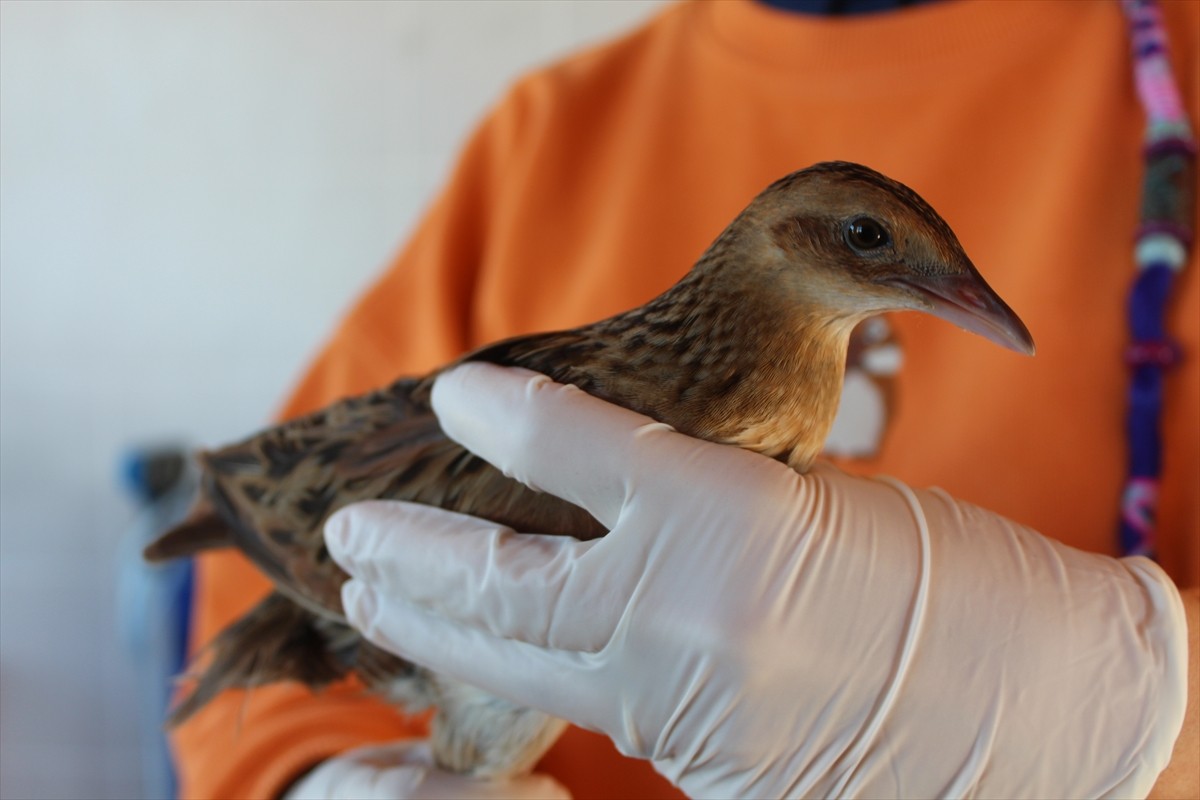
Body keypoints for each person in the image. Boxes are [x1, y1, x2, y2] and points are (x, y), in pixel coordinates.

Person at [171, 0, 1199, 797]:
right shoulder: (548, 138)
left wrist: (1135, 709)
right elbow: (262, 602)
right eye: (872, 243)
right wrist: (319, 778)